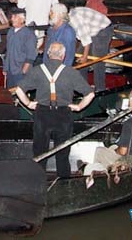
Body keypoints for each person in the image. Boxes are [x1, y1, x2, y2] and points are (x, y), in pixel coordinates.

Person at [15, 42, 95, 178]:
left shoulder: (37, 70)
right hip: (63, 114)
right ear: (63, 56)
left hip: (42, 113)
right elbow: (90, 94)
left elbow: (19, 90)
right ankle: (63, 183)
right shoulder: (71, 72)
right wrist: (79, 106)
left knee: (40, 152)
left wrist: (29, 104)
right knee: (63, 153)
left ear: (48, 54)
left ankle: (37, 181)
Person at [82, 89, 132, 175]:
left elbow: (122, 151)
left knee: (100, 151)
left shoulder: (130, 123)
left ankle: (98, 173)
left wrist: (116, 150)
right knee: (114, 147)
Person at [68, 6, 112, 91]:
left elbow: (86, 40)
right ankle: (84, 88)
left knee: (98, 61)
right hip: (92, 31)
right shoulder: (70, 19)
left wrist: (85, 57)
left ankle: (100, 89)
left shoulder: (75, 19)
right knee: (80, 60)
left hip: (103, 30)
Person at [3, 8, 38, 88]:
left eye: (15, 16)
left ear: (22, 19)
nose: (12, 19)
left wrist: (23, 71)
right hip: (10, 71)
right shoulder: (10, 32)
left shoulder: (29, 34)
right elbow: (8, 52)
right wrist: (6, 67)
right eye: (12, 16)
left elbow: (31, 55)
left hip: (20, 71)